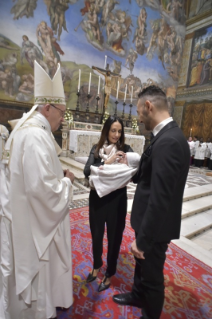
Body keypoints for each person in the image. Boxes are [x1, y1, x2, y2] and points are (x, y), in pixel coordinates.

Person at [0, 61, 74, 319]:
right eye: (62, 113)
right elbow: (45, 192)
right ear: (47, 107)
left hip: (26, 217)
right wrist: (66, 183)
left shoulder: (29, 130)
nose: (63, 119)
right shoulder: (34, 136)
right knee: (35, 290)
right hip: (33, 228)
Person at [113, 86, 190, 319]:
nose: (137, 117)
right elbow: (150, 175)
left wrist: (143, 240)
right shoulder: (164, 136)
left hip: (155, 228)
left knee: (153, 277)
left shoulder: (169, 142)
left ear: (149, 106)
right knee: (141, 267)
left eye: (138, 111)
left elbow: (161, 197)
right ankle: (137, 294)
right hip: (148, 222)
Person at [84, 116, 133, 292]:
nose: (116, 134)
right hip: (97, 199)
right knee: (96, 235)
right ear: (106, 130)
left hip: (117, 201)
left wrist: (128, 162)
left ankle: (109, 272)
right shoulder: (97, 149)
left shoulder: (126, 149)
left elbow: (136, 171)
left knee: (115, 238)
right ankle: (97, 265)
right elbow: (86, 171)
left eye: (119, 131)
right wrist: (107, 162)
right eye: (113, 130)